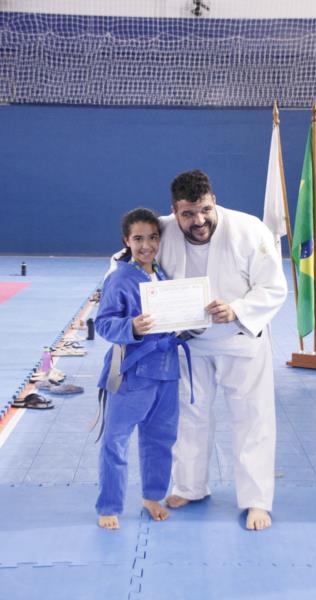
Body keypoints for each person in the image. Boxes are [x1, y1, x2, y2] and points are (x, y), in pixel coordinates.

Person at [159, 170, 287, 530]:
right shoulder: (162, 231)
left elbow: (273, 287)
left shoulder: (249, 230)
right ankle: (189, 487)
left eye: (205, 210)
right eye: (188, 214)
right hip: (189, 344)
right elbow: (126, 259)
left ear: (214, 200)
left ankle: (257, 501)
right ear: (174, 211)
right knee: (190, 416)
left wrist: (237, 309)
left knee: (253, 418)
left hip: (241, 340)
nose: (199, 221)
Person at [95, 208, 184, 529]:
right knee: (116, 440)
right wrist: (130, 326)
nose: (146, 245)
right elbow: (103, 323)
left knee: (161, 438)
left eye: (152, 237)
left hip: (166, 370)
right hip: (132, 372)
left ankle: (152, 497)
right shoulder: (119, 279)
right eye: (138, 238)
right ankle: (109, 505)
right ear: (126, 241)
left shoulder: (163, 276)